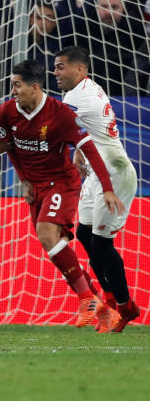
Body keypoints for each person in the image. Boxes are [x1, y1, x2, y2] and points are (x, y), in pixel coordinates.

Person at [0, 60, 125, 328]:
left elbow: (91, 150)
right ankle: (100, 304)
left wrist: (107, 189)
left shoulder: (61, 114)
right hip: (35, 187)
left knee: (46, 234)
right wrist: (24, 181)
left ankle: (86, 299)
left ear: (34, 87)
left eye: (17, 85)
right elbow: (11, 145)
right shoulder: (6, 112)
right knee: (54, 245)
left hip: (61, 182)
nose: (13, 91)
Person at [53, 47, 141, 332]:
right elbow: (81, 131)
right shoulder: (81, 90)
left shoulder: (83, 99)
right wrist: (78, 151)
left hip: (114, 172)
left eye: (61, 67)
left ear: (79, 69)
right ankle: (111, 299)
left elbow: (56, 127)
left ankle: (125, 306)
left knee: (102, 244)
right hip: (95, 170)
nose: (56, 73)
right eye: (55, 67)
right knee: (84, 234)